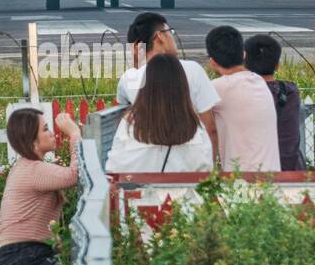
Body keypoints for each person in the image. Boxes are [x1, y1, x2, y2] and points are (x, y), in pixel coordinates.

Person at [0, 107, 82, 265]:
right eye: (45, 129)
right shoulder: (33, 170)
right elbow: (75, 174)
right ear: (33, 141)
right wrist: (74, 133)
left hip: (19, 258)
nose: (52, 133)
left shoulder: (28, 168)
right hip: (23, 258)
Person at [117, 11, 219, 147]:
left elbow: (118, 117)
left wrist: (137, 59)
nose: (173, 37)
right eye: (170, 32)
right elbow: (210, 128)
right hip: (189, 157)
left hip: (147, 157)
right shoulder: (193, 70)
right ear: (160, 36)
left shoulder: (128, 78)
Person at [106, 54, 214, 172]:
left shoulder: (130, 125)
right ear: (182, 87)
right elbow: (206, 167)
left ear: (145, 88)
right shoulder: (195, 127)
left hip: (140, 189)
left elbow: (113, 168)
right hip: (186, 189)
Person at [205, 25, 281, 173]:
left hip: (242, 182)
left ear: (212, 62)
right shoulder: (259, 81)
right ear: (244, 54)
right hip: (272, 178)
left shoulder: (219, 87)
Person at [244, 33, 306, 171]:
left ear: (245, 64)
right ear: (277, 65)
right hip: (291, 169)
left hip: (256, 169)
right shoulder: (291, 91)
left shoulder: (242, 92)